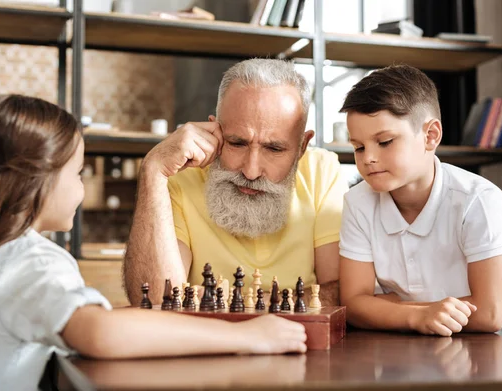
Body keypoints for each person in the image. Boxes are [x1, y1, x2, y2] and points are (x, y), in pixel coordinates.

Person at [0, 95, 307, 391]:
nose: (81, 187)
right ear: (36, 181)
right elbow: (100, 333)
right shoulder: (28, 259)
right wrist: (246, 334)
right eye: (77, 173)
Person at [123, 59, 349, 306]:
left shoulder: (322, 170)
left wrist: (232, 301)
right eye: (237, 143)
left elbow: (339, 291)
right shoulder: (180, 175)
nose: (251, 172)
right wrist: (153, 171)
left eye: (274, 148)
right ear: (214, 130)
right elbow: (157, 300)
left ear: (302, 147)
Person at [338, 64, 502, 337]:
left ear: (430, 136)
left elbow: (489, 314)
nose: (367, 157)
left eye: (385, 142)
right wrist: (416, 315)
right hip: (418, 333)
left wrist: (397, 309)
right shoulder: (357, 203)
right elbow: (354, 305)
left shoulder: (478, 198)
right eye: (358, 147)